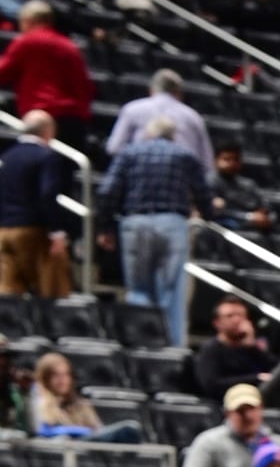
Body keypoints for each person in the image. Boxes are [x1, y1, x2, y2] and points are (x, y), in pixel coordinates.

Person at [99, 118, 210, 347]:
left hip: (135, 221)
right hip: (172, 223)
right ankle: (171, 347)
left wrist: (105, 225)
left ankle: (141, 344)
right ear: (173, 135)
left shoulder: (129, 153)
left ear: (148, 134)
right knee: (172, 291)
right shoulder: (184, 155)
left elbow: (108, 190)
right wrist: (209, 215)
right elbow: (202, 192)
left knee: (138, 288)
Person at [0, 110, 74, 300]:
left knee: (8, 292)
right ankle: (53, 330)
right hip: (33, 230)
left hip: (5, 229)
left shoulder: (7, 156)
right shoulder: (46, 156)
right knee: (52, 289)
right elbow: (48, 194)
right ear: (49, 131)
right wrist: (57, 231)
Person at [0, 2, 92, 146]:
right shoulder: (70, 45)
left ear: (28, 21)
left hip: (41, 117)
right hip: (73, 117)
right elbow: (85, 85)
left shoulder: (27, 41)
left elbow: (3, 72)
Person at [107, 69, 215, 179]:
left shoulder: (131, 109)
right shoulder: (194, 117)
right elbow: (206, 162)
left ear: (151, 90)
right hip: (180, 182)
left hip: (138, 178)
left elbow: (114, 148)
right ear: (179, 92)